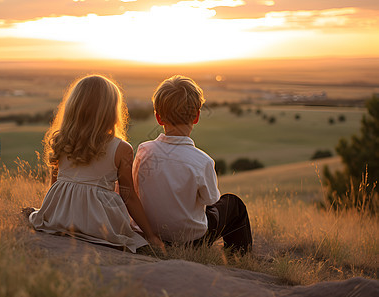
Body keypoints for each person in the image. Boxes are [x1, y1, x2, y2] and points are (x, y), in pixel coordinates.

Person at [26, 75, 164, 253]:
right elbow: (128, 196)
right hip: (99, 224)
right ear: (111, 111)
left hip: (59, 218)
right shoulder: (121, 148)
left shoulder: (61, 140)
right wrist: (151, 235)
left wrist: (48, 213)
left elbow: (55, 185)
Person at [133, 75, 252, 254]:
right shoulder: (202, 161)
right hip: (190, 240)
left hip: (146, 232)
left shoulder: (143, 151)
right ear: (196, 116)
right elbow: (210, 200)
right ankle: (239, 258)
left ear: (158, 118)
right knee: (233, 204)